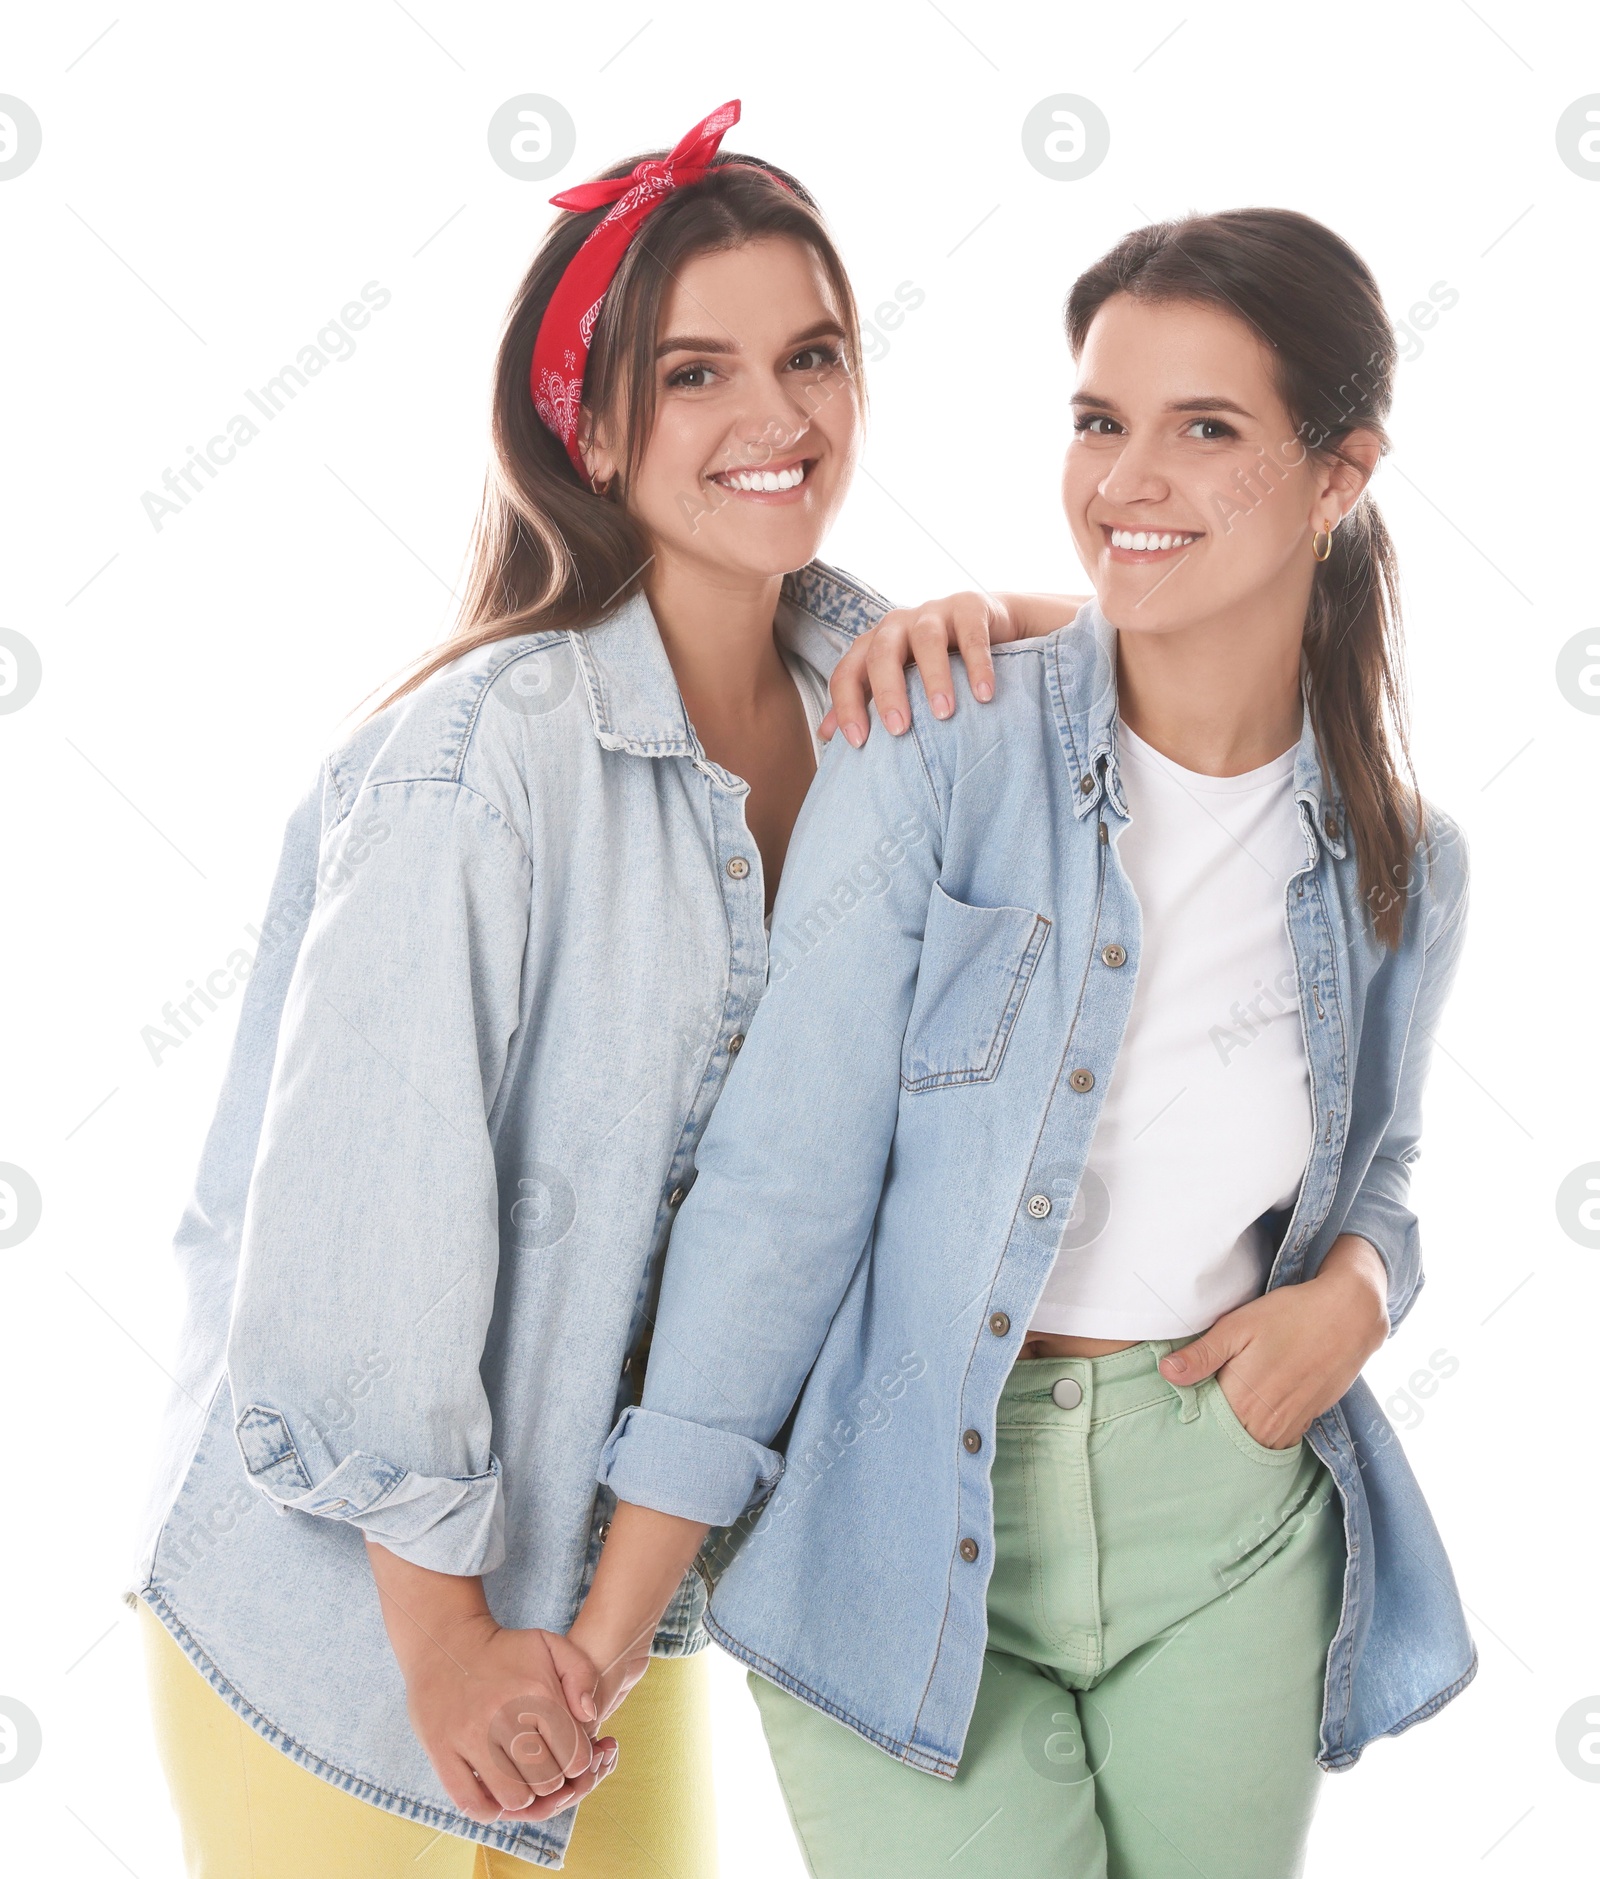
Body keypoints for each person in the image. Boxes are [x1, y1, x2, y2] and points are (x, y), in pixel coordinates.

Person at [129, 99, 1069, 1876]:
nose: (775, 418)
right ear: (590, 421)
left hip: (603, 1627)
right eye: (697, 374)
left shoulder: (889, 713)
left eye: (812, 356)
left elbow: (1194, 678)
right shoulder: (477, 761)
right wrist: (442, 1643)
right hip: (353, 1630)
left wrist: (1011, 608)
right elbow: (363, 1229)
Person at [577, 208, 1476, 1878]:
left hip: (1229, 1520)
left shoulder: (1402, 865)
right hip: (899, 1514)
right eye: (1099, 421)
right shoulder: (941, 747)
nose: (1128, 477)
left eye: (1206, 429)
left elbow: (1386, 1166)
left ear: (1339, 476)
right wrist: (621, 1617)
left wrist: (1361, 1291)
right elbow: (782, 1189)